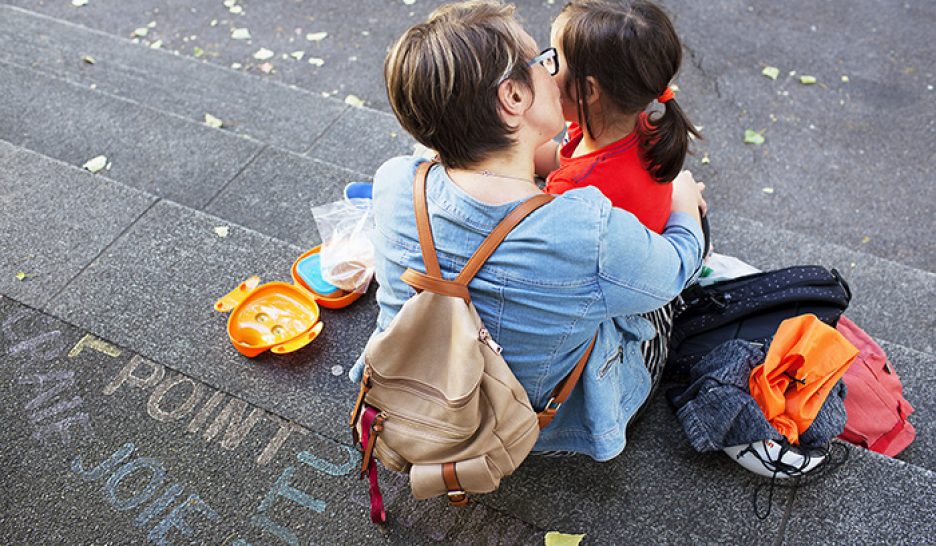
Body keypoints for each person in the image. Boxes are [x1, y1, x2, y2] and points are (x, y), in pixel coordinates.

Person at [349, 0, 706, 461]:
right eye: (543, 61)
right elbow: (676, 269)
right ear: (513, 97)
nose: (554, 72)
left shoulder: (395, 179)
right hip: (534, 427)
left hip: (410, 399)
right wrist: (682, 205)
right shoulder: (585, 228)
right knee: (669, 280)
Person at [535, 0, 701, 235]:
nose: (543, 67)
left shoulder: (571, 190)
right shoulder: (643, 130)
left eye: (552, 60)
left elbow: (534, 232)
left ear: (587, 91)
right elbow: (557, 158)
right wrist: (510, 144)